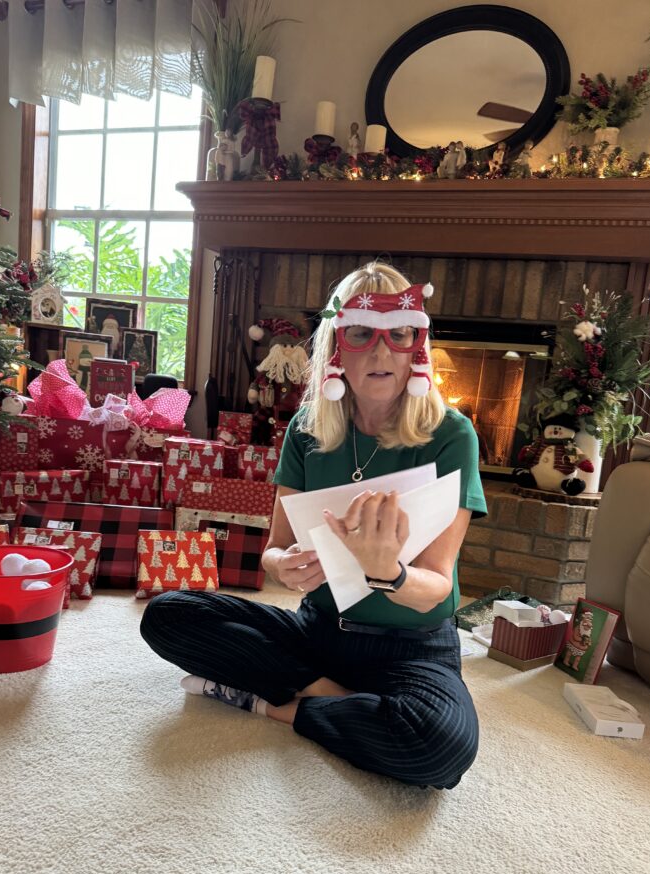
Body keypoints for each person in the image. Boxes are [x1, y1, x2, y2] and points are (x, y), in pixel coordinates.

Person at [140, 262, 487, 790]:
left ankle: (279, 707)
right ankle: (341, 701)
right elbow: (274, 553)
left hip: (411, 646)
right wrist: (287, 567)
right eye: (361, 333)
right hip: (319, 632)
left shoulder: (451, 434)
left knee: (438, 749)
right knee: (167, 615)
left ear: (417, 344)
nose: (380, 350)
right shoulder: (307, 430)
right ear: (336, 345)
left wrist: (387, 573)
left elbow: (436, 588)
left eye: (399, 333)